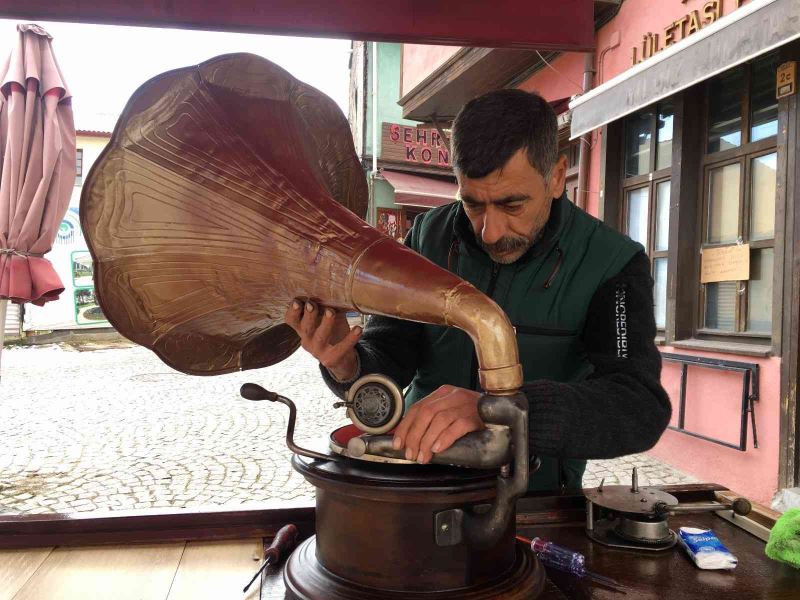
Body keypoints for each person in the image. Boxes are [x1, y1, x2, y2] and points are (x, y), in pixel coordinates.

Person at [285, 89, 671, 492]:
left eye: (512, 205)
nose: (491, 231)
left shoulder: (612, 263)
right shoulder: (427, 237)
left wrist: (499, 410)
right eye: (472, 204)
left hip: (531, 496)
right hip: (418, 481)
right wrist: (348, 364)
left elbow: (638, 408)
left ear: (556, 177)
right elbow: (393, 350)